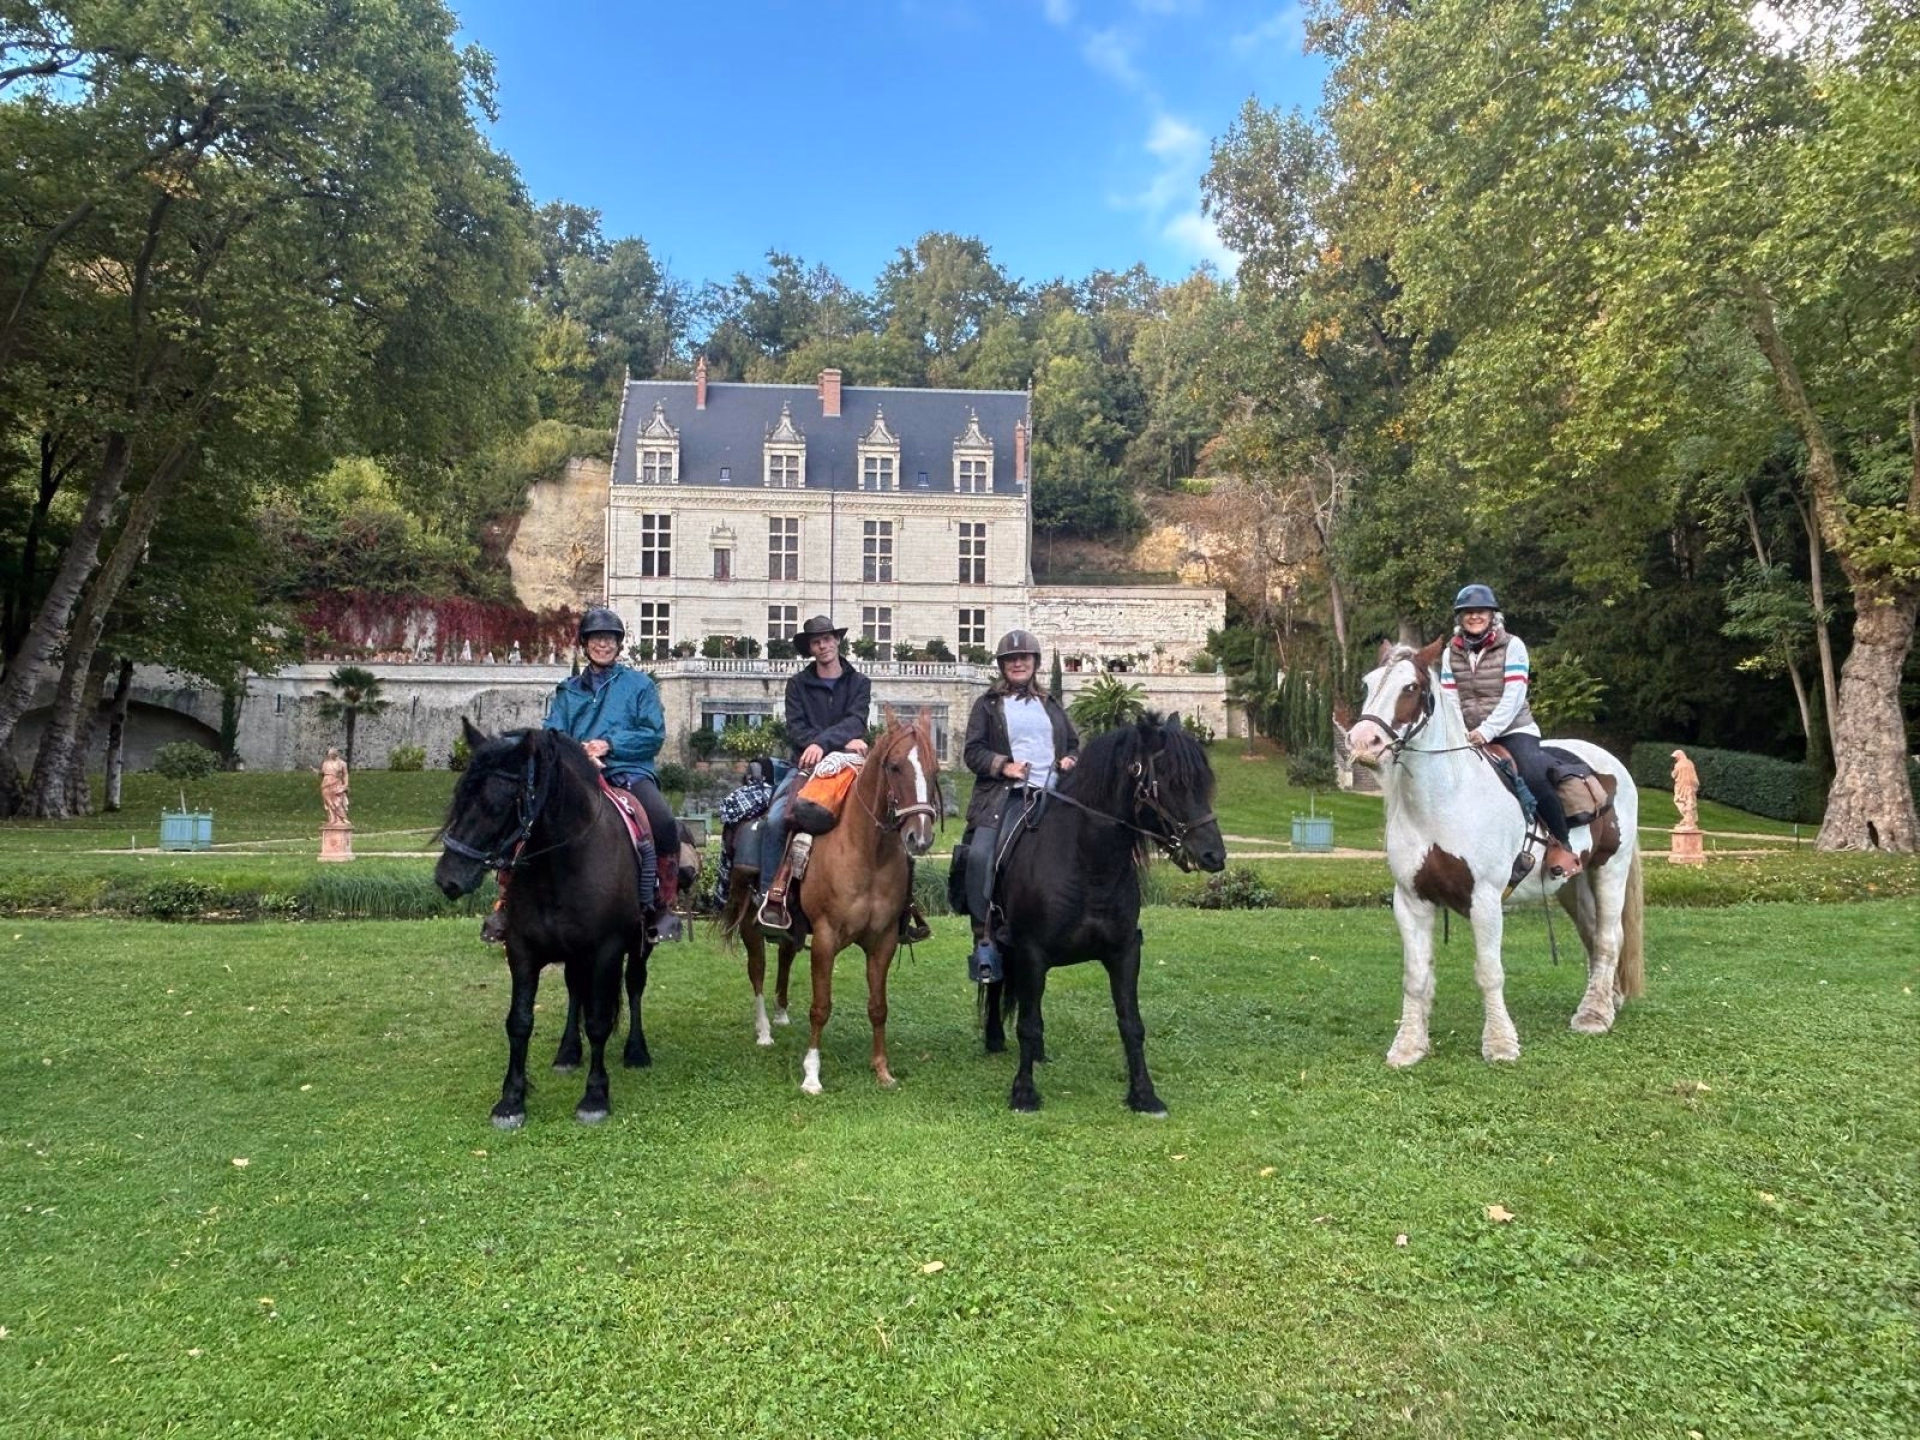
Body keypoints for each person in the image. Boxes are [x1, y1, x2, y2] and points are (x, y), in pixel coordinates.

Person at [482, 606, 680, 943]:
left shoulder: (639, 685)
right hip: (574, 775)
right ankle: (507, 902)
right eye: (596, 639)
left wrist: (608, 746)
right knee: (525, 819)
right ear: (585, 644)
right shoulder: (568, 690)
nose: (603, 645)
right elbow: (553, 733)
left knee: (661, 821)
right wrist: (578, 753)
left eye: (609, 639)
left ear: (619, 645)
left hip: (627, 770)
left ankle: (658, 906)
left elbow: (653, 734)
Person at [756, 614, 933, 941]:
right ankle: (774, 895)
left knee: (895, 821)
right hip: (808, 766)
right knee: (777, 819)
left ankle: (902, 910)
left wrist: (823, 743)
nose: (823, 645)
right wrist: (821, 745)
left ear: (837, 641)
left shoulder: (859, 683)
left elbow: (856, 722)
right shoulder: (797, 685)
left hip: (852, 765)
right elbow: (796, 729)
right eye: (816, 641)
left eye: (827, 639)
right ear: (810, 648)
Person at [952, 629, 1079, 983]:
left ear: (1035, 663)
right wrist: (1004, 765)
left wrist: (1070, 759)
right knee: (979, 857)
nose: (1018, 663)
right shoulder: (987, 705)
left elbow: (1072, 743)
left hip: (1054, 795)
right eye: (1011, 659)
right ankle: (985, 939)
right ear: (1002, 666)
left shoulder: (1051, 704)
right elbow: (972, 752)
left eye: (1024, 658)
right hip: (1004, 798)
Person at [1440, 584, 1581, 879]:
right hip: (1469, 733)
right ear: (1460, 618)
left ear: (1493, 615)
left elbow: (1514, 694)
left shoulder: (1513, 646)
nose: (1474, 616)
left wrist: (1488, 730)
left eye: (1481, 611)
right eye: (1468, 612)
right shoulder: (1449, 653)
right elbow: (1449, 697)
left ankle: (1561, 842)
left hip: (1514, 729)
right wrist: (1460, 731)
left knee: (1532, 773)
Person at [319, 748, 350, 826]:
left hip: (336, 783)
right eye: (329, 755)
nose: (330, 756)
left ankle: (343, 818)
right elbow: (322, 773)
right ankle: (332, 819)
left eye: (332, 755)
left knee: (338, 801)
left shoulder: (342, 763)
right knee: (329, 802)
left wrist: (346, 784)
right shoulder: (325, 763)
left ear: (336, 754)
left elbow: (345, 774)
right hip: (326, 783)